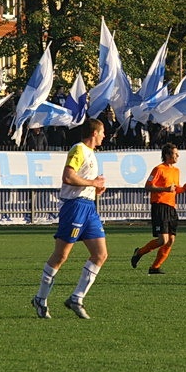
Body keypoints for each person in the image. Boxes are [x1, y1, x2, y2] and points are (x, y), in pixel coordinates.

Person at [31, 118, 107, 320]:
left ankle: (76, 298)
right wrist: (92, 182)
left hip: (89, 207)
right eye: (102, 132)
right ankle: (40, 298)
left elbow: (82, 182)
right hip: (74, 207)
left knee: (100, 254)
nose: (104, 136)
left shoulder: (92, 154)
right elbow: (68, 177)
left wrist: (95, 189)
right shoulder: (78, 149)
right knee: (61, 256)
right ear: (94, 133)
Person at [130, 143, 186, 274]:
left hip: (171, 207)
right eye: (175, 153)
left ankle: (154, 268)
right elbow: (148, 186)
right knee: (163, 240)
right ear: (168, 155)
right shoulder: (158, 169)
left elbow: (174, 190)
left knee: (171, 240)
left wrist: (183, 189)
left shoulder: (176, 170)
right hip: (159, 206)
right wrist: (165, 189)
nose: (178, 156)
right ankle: (139, 252)